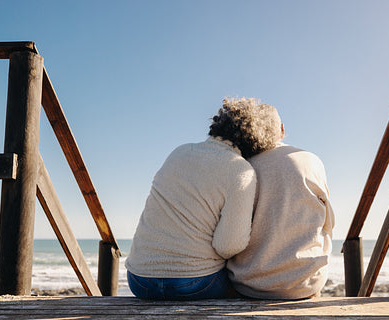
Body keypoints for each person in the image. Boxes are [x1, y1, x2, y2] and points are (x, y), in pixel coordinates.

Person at [125, 97, 282, 300]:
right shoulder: (240, 171)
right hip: (194, 283)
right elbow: (228, 246)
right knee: (246, 287)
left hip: (138, 280)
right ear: (256, 140)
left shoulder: (179, 152)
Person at [227, 115, 335, 300]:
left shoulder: (241, 167)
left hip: (248, 285)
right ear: (282, 129)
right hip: (305, 283)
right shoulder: (310, 160)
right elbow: (329, 223)